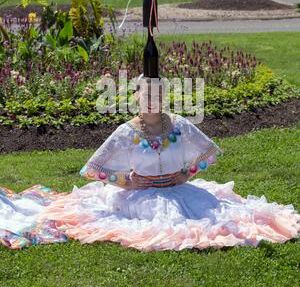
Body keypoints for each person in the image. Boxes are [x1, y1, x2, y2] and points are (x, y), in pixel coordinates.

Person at [1, 74, 299, 251]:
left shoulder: (180, 124)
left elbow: (209, 152)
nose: (153, 100)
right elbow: (92, 169)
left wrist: (186, 173)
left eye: (158, 94)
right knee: (164, 227)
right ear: (137, 98)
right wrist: (125, 182)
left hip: (179, 191)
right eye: (147, 95)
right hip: (139, 197)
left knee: (215, 219)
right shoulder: (126, 132)